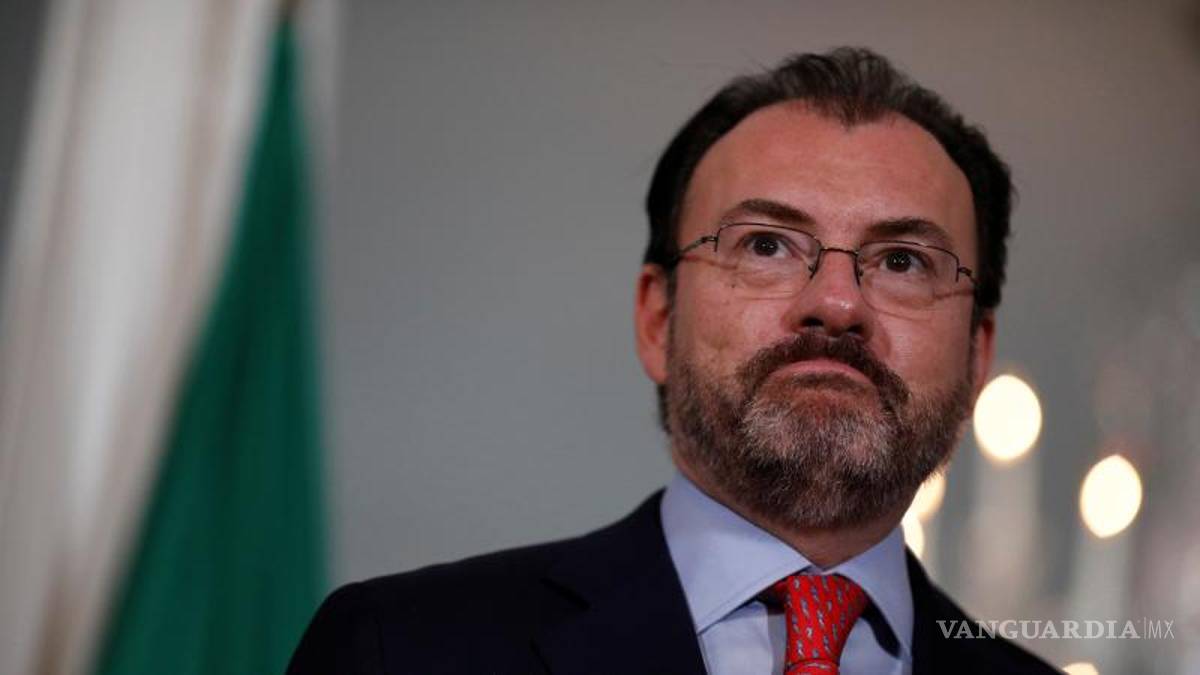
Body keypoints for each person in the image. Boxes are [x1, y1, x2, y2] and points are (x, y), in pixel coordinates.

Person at [288, 47, 1060, 674]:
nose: (836, 301)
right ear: (658, 318)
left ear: (977, 355)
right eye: (766, 245)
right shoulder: (395, 650)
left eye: (901, 261)